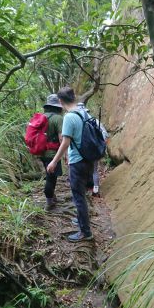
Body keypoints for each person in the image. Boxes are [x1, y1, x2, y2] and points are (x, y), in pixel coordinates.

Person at [47, 87, 94, 242]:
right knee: (82, 193)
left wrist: (54, 161)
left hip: (77, 161)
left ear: (60, 101)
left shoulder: (69, 117)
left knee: (78, 196)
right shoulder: (84, 111)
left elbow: (65, 142)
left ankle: (85, 232)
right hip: (88, 158)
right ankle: (82, 220)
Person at [76, 102, 109, 197]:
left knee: (83, 170)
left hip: (81, 151)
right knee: (94, 170)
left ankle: (85, 190)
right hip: (94, 149)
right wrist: (100, 146)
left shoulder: (77, 123)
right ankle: (96, 189)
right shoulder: (95, 121)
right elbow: (105, 134)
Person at [40, 94, 63, 211]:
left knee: (49, 175)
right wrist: (65, 154)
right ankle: (49, 203)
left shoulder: (41, 117)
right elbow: (61, 139)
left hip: (41, 152)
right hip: (52, 153)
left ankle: (52, 196)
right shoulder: (58, 118)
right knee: (51, 178)